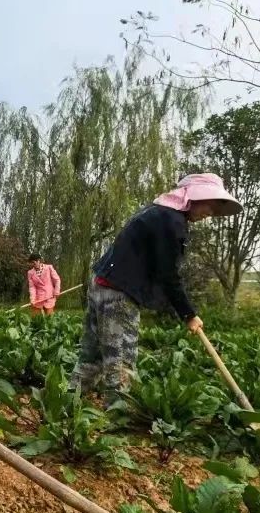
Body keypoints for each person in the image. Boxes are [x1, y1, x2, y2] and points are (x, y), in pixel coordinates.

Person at [70, 173, 242, 403]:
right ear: (194, 197)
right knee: (121, 358)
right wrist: (188, 314)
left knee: (93, 354)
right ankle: (118, 415)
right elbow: (168, 273)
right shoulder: (171, 221)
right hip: (118, 294)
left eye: (212, 213)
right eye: (208, 208)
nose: (207, 215)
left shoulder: (157, 210)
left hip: (103, 285)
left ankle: (67, 401)